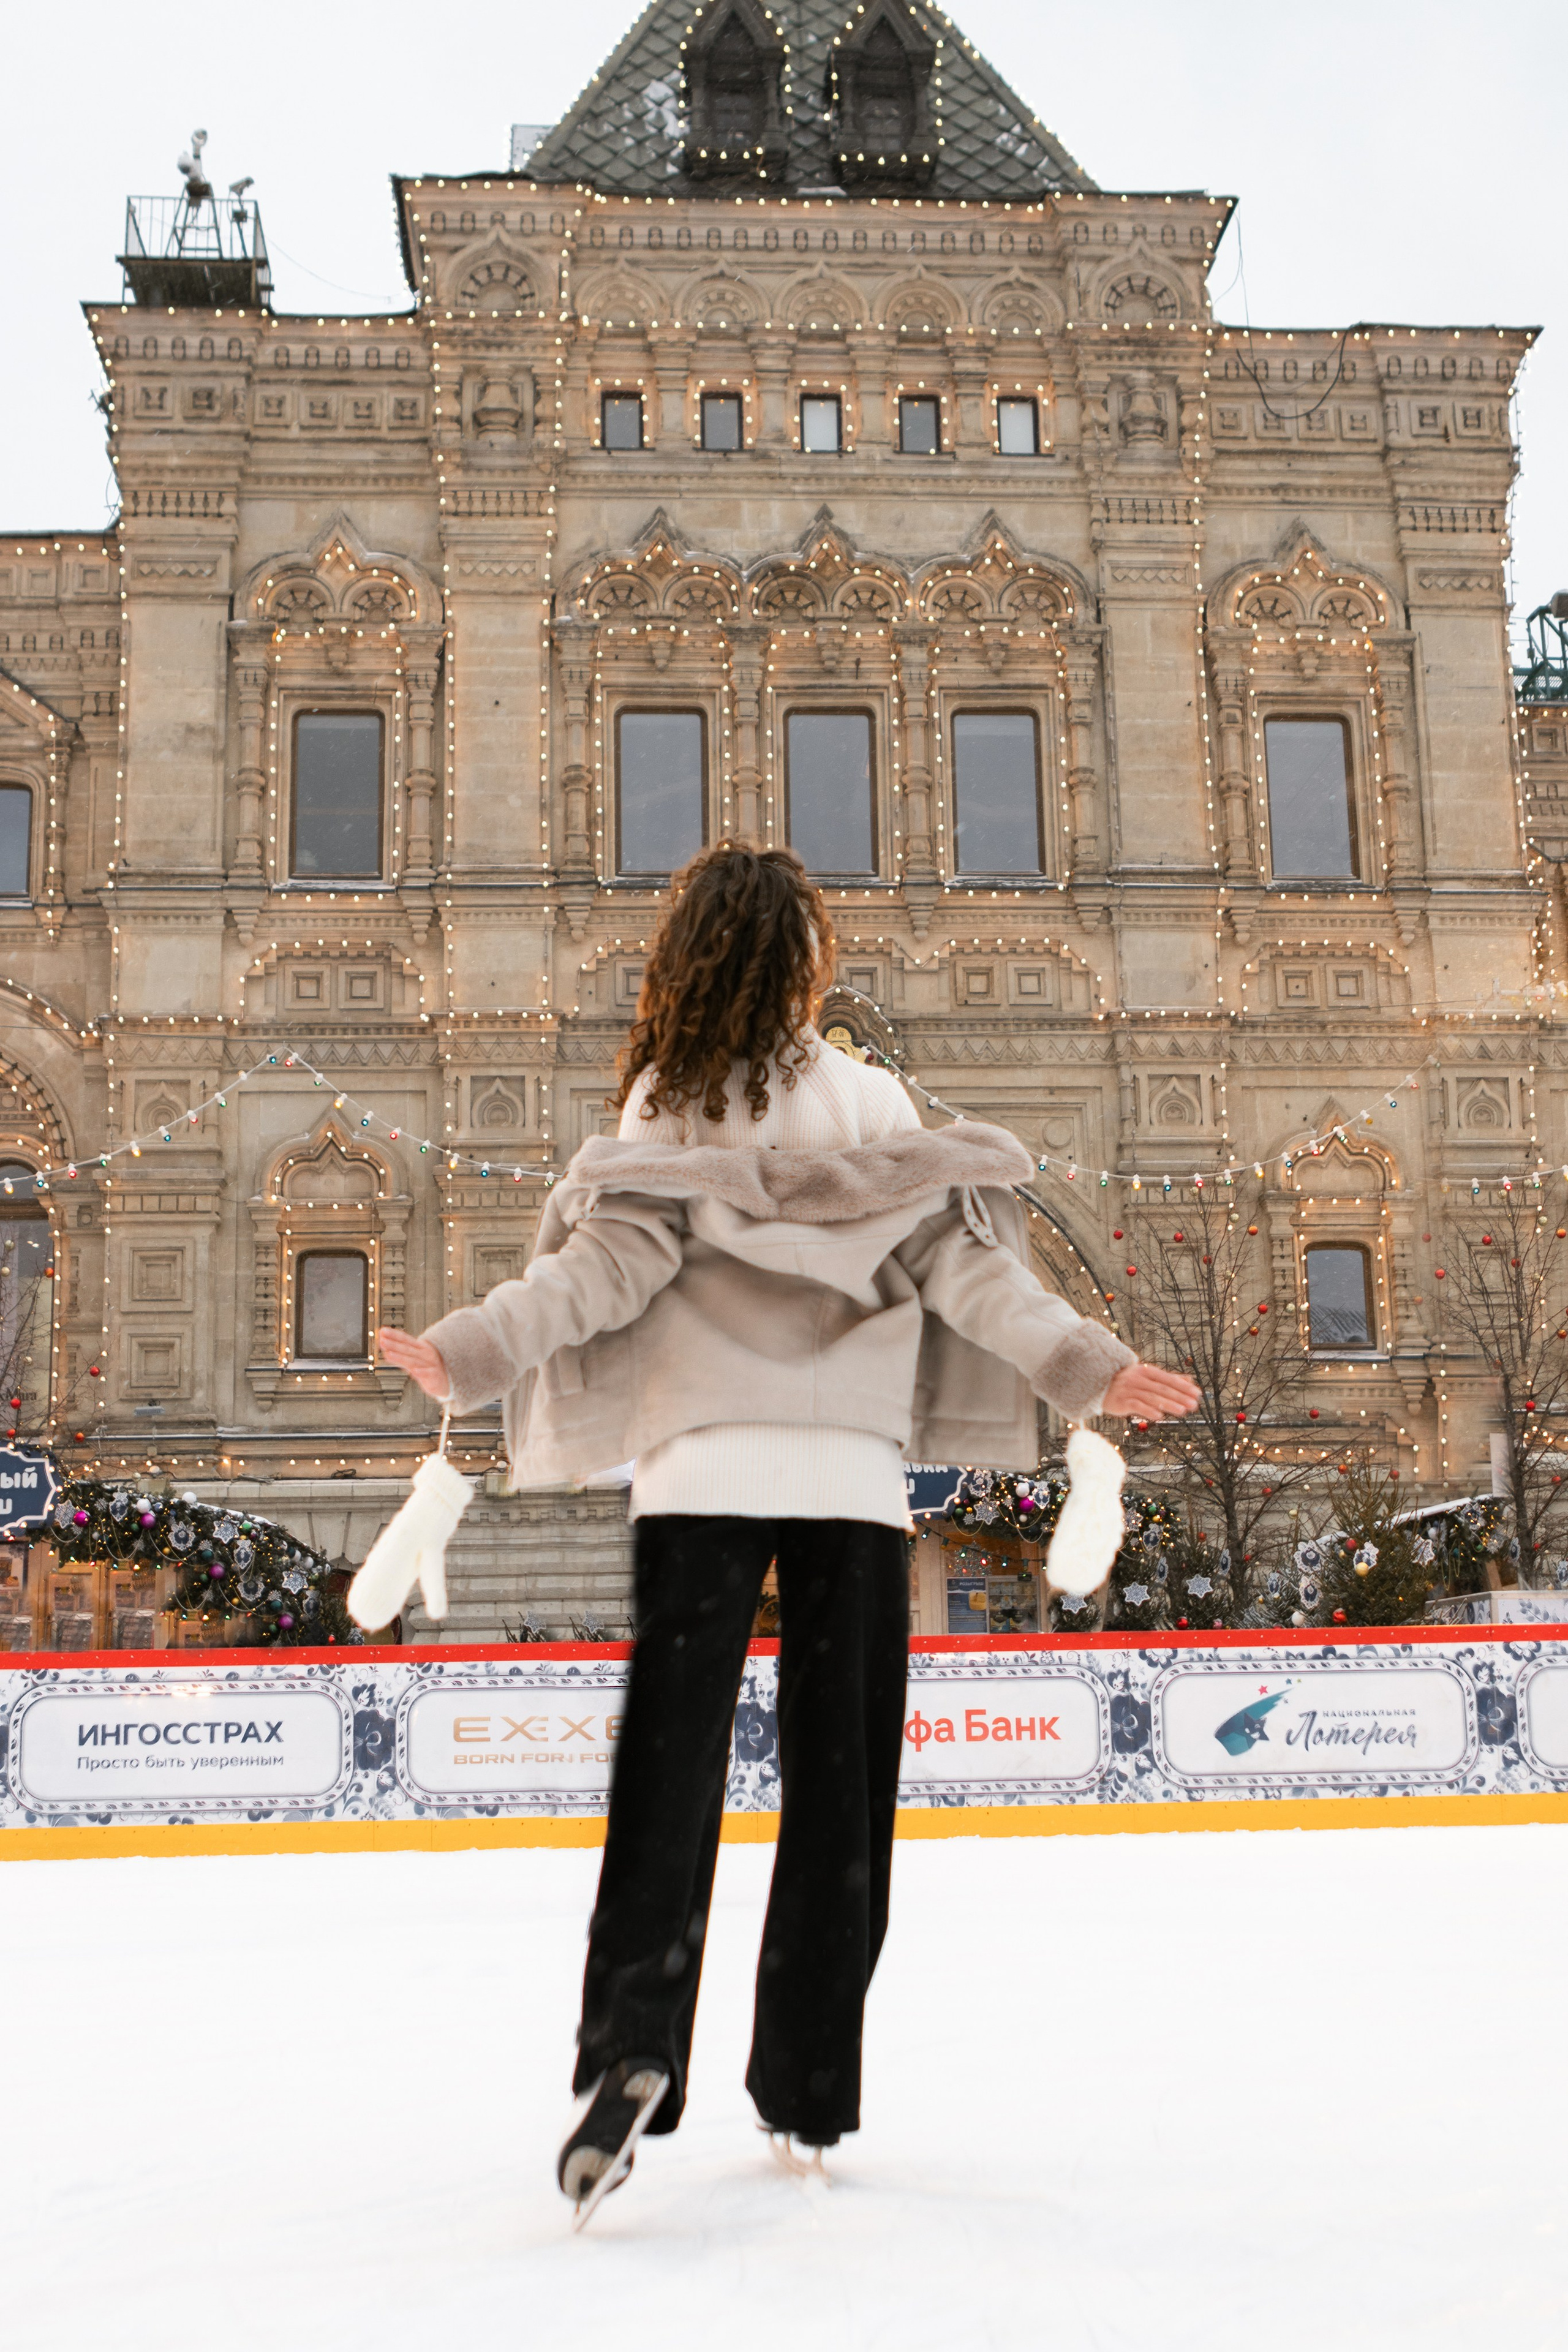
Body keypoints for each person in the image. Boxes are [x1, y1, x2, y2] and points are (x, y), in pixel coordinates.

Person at [378, 845, 1198, 2219]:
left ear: (691, 958)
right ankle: (807, 2083)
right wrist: (1087, 1367)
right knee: (837, 1799)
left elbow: (595, 1273)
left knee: (667, 1784)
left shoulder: (668, 1104)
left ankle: (635, 2049)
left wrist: (468, 1352)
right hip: (849, 1491)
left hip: (698, 1476)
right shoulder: (873, 1101)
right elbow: (967, 1270)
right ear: (803, 964)